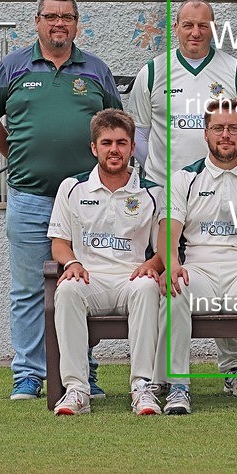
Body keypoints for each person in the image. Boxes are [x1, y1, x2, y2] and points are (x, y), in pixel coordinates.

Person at [0, 0, 122, 400]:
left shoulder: (95, 70)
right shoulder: (13, 66)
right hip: (29, 197)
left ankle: (84, 374)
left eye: (68, 17)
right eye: (51, 16)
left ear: (77, 24)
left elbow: (114, 124)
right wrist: (16, 154)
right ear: (37, 21)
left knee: (84, 285)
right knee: (26, 290)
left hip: (86, 201)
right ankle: (27, 374)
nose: (59, 24)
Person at [127, 0, 237, 396]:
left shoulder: (235, 70)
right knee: (164, 279)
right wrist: (162, 182)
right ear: (177, 28)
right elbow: (140, 134)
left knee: (227, 258)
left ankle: (235, 367)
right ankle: (160, 376)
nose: (195, 33)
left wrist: (228, 175)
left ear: (214, 27)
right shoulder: (153, 72)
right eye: (188, 25)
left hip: (221, 188)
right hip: (165, 196)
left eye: (203, 25)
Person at [154, 98, 237, 414]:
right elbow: (168, 232)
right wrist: (172, 264)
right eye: (218, 128)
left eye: (233, 128)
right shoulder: (183, 179)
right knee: (174, 290)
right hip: (199, 270)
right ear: (206, 133)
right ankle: (177, 387)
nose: (225, 135)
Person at [47, 109, 165, 416]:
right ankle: (77, 390)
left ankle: (142, 387)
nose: (114, 149)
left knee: (148, 287)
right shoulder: (72, 188)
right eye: (107, 142)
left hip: (131, 278)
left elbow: (164, 246)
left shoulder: (151, 191)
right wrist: (71, 263)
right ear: (94, 147)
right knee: (67, 290)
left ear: (131, 148)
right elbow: (59, 242)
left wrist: (154, 264)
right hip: (91, 279)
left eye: (122, 143)